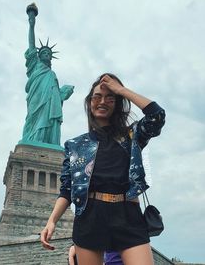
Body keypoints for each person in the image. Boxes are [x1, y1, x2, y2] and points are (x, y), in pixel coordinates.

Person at [40, 73, 166, 265]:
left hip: (128, 215)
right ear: (89, 102)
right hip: (91, 216)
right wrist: (51, 221)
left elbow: (157, 116)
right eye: (97, 97)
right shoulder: (75, 145)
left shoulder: (131, 136)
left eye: (110, 97)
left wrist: (121, 90)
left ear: (117, 103)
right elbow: (66, 189)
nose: (102, 101)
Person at [21, 3, 74, 145]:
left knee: (49, 119)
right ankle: (33, 140)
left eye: (49, 54)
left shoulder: (52, 75)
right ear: (39, 55)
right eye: (44, 53)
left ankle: (49, 142)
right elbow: (32, 44)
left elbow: (56, 96)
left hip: (50, 104)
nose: (47, 55)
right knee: (33, 119)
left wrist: (62, 93)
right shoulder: (35, 65)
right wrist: (31, 24)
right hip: (36, 99)